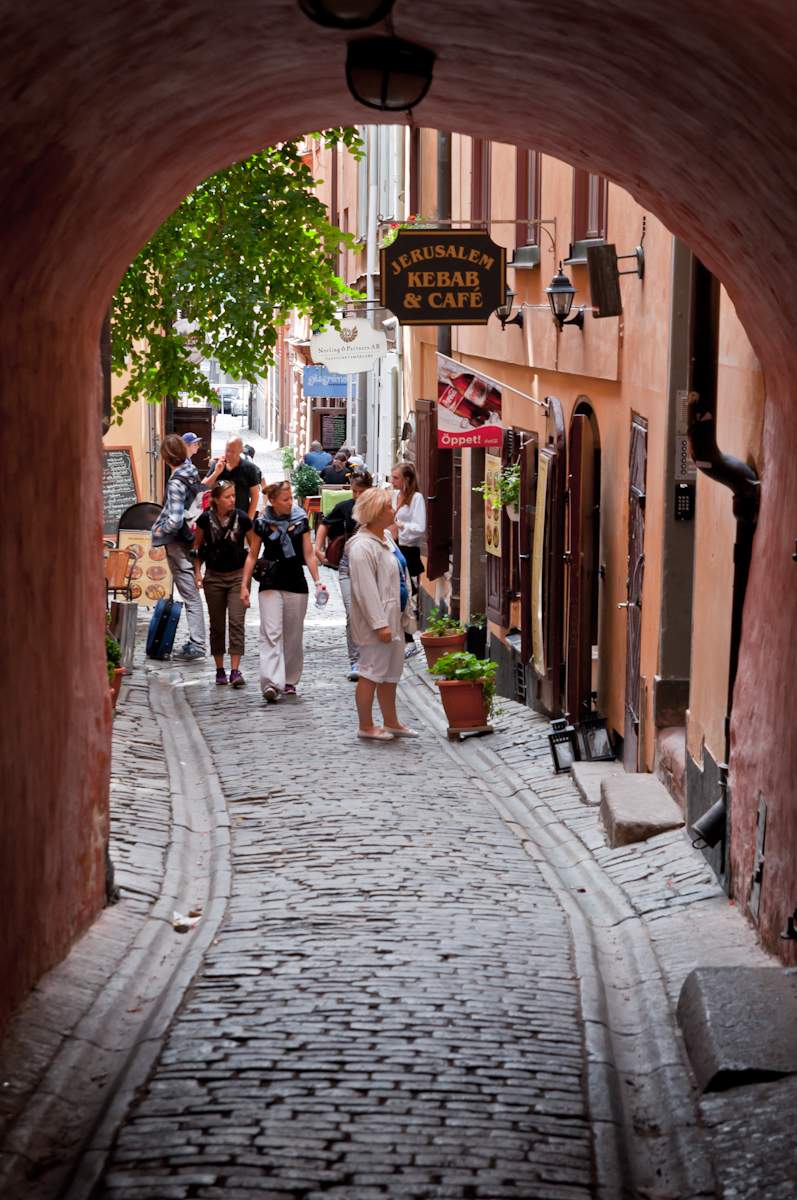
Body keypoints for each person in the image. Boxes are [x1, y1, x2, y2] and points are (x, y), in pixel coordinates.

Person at [240, 480, 327, 702]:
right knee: (270, 633)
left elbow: (308, 554)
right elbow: (252, 554)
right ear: (273, 501)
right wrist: (244, 585)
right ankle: (270, 683)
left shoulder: (300, 522)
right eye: (285, 500)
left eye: (291, 498)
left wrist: (318, 582)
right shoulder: (261, 523)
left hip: (296, 582)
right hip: (270, 581)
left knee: (293, 635)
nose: (290, 503)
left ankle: (289, 679)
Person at [347, 488, 418, 741]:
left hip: (395, 617)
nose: (393, 509)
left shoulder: (386, 537)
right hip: (378, 623)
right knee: (370, 672)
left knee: (390, 674)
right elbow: (365, 591)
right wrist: (379, 624)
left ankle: (391, 721)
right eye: (388, 507)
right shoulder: (362, 547)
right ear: (376, 513)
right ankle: (365, 725)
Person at [151, 433, 224, 659]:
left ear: (166, 457)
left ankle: (197, 643)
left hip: (178, 542)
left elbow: (174, 519)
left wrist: (157, 531)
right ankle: (197, 641)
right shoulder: (191, 471)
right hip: (191, 537)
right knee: (191, 589)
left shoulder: (175, 482)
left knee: (189, 592)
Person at [193, 480, 252, 687]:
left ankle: (235, 670)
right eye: (227, 496)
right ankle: (220, 670)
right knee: (217, 625)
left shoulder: (242, 518)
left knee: (236, 622)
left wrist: (246, 579)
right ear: (216, 499)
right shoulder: (204, 520)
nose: (232, 500)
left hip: (237, 576)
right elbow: (197, 548)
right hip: (214, 577)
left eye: (234, 495)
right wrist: (197, 573)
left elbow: (253, 549)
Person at [315, 470, 373, 681]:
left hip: (372, 568)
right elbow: (324, 524)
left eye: (361, 492)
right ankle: (355, 661)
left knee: (371, 612)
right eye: (354, 491)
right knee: (352, 613)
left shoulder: (377, 509)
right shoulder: (345, 507)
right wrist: (318, 548)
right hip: (347, 567)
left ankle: (370, 658)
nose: (357, 496)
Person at [390, 462, 427, 658]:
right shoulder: (396, 496)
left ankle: (410, 640)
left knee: (407, 597)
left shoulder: (417, 498)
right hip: (396, 548)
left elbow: (420, 527)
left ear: (407, 479)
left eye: (396, 477)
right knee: (396, 596)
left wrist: (401, 525)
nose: (392, 481)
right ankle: (402, 638)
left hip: (409, 551)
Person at [211, 436, 261, 518]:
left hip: (241, 516)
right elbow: (204, 486)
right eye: (227, 450)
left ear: (240, 451)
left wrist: (249, 520)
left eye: (233, 451)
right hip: (219, 517)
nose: (229, 454)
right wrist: (216, 473)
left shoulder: (249, 468)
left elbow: (255, 494)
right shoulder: (218, 465)